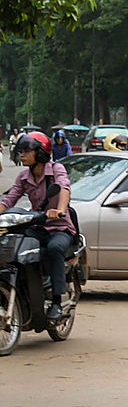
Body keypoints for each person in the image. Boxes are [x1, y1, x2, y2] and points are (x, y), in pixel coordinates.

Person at [0, 133, 76, 320]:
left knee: (54, 248)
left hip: (60, 227)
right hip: (39, 226)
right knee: (13, 243)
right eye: (21, 152)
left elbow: (64, 188)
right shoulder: (23, 176)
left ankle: (57, 301)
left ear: (40, 153)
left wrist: (59, 209)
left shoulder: (56, 169)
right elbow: (10, 198)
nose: (22, 155)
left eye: (26, 151)